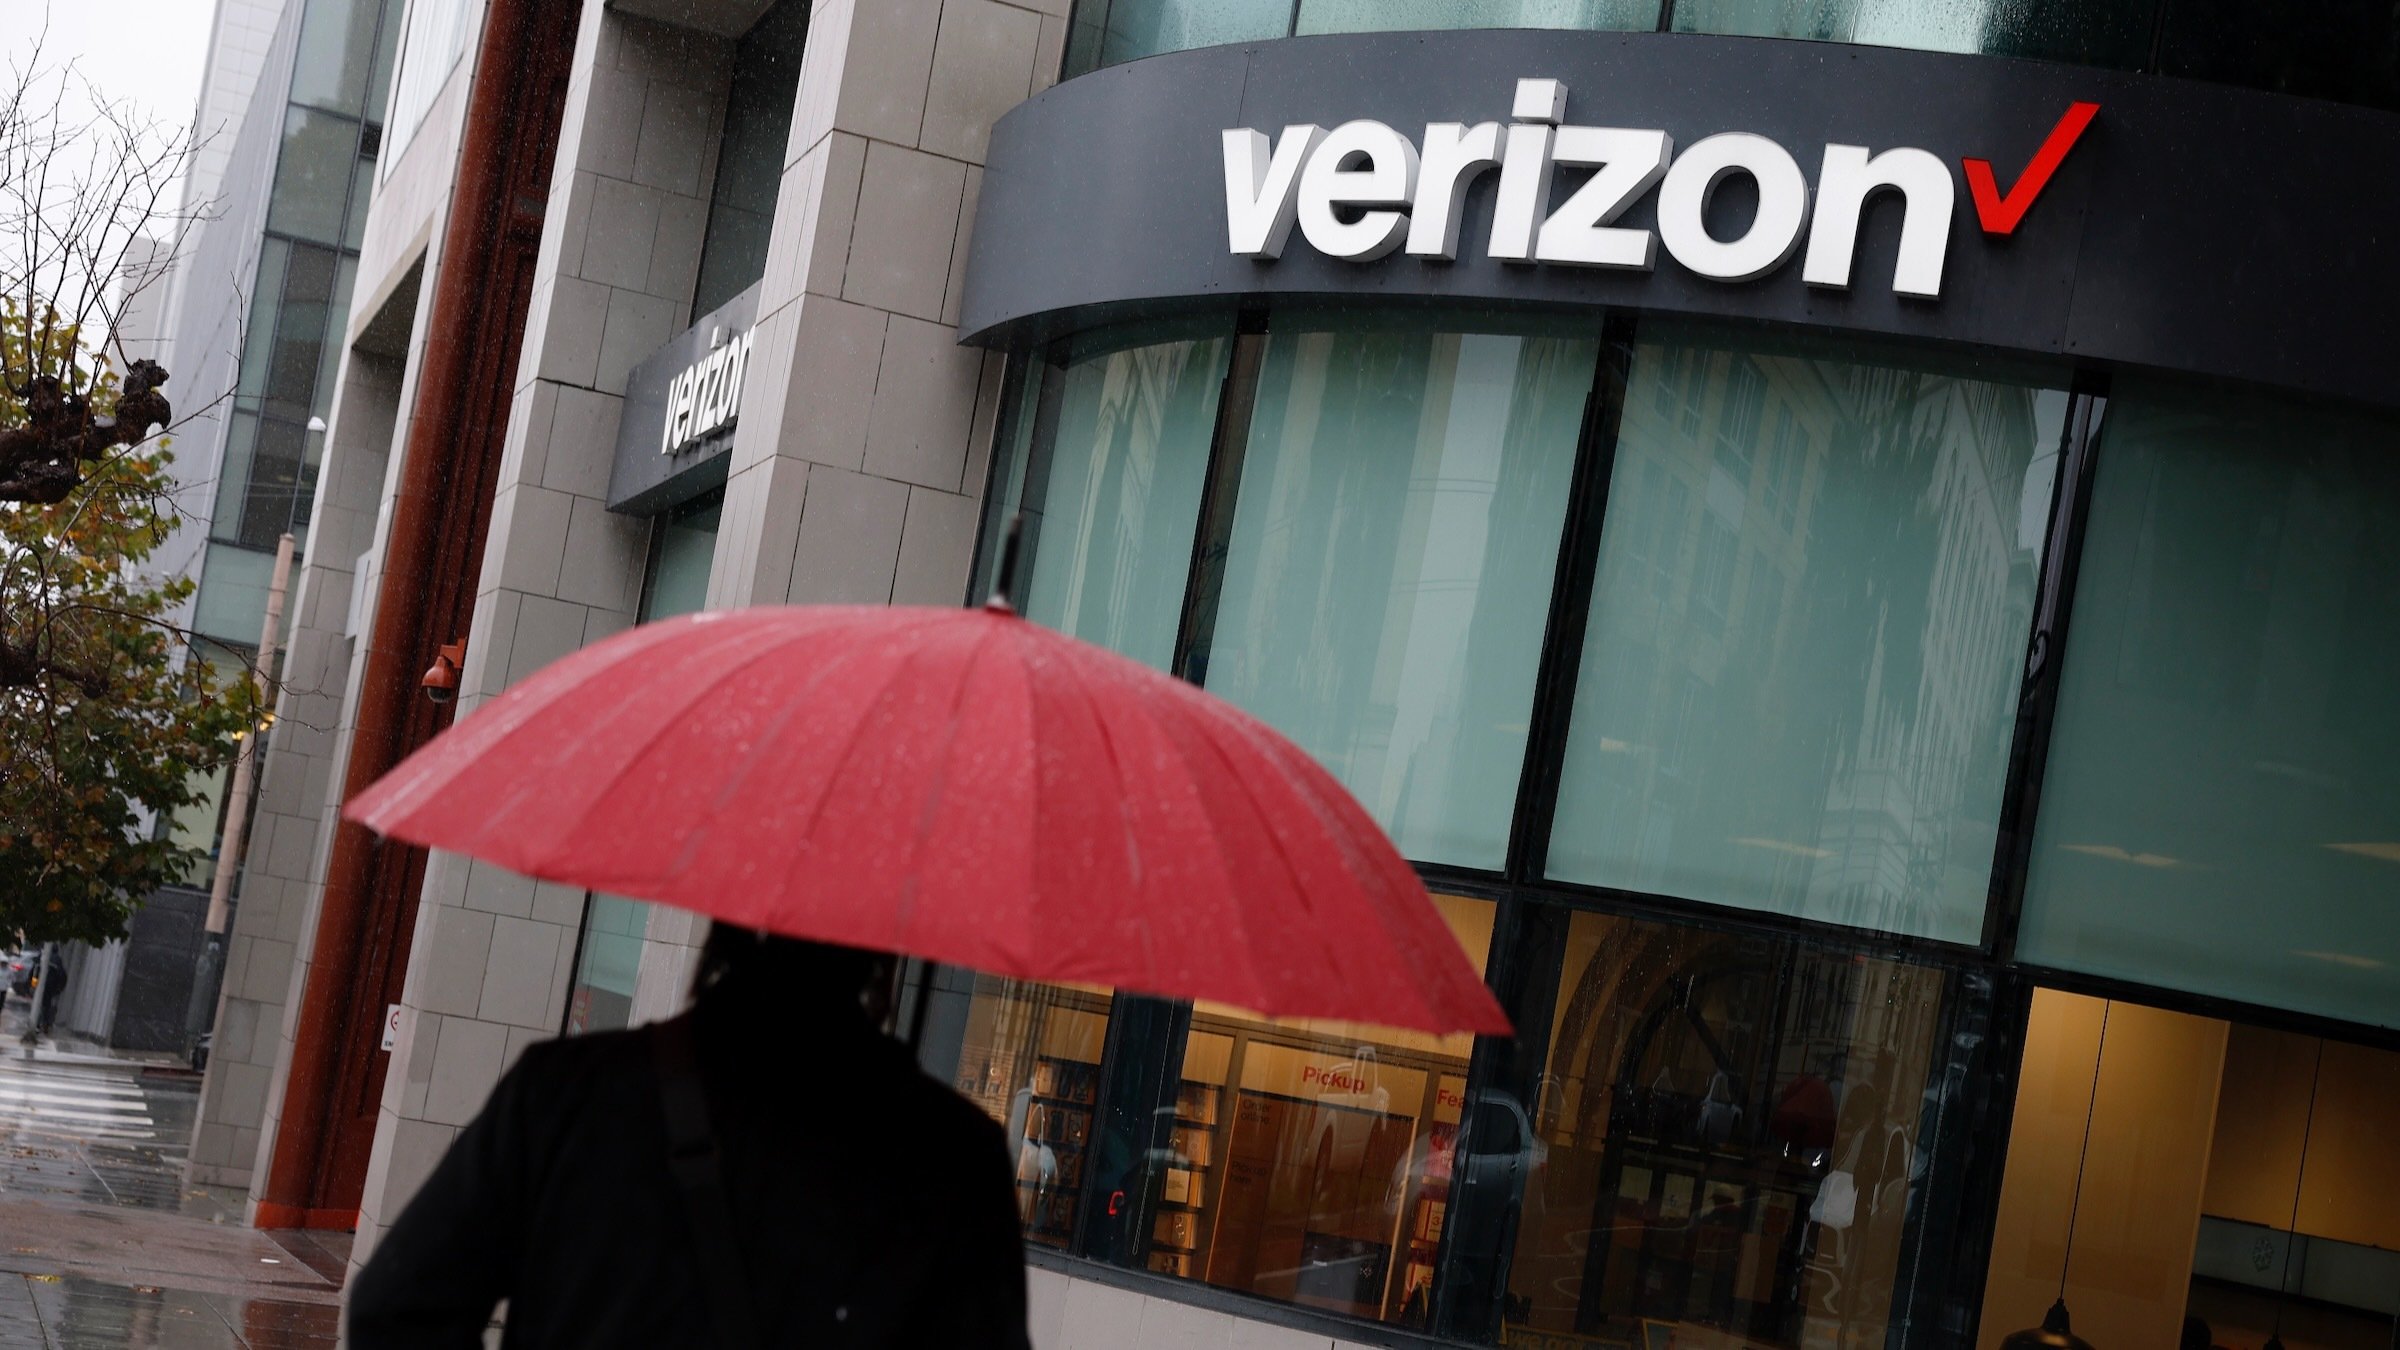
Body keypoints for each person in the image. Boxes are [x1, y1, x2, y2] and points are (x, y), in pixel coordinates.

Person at [348, 927, 1032, 1348]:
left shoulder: (567, 1093)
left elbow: (395, 1309)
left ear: (725, 927)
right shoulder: (955, 1159)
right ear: (879, 960)